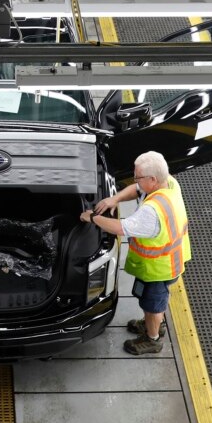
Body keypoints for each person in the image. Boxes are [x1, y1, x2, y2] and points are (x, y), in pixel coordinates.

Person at [79, 151, 191, 355]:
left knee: (153, 305)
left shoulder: (152, 212)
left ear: (153, 179)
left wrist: (92, 218)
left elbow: (119, 228)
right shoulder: (169, 183)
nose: (135, 179)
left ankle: (152, 338)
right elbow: (137, 189)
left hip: (159, 269)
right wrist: (116, 198)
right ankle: (153, 323)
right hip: (169, 260)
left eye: (138, 176)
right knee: (155, 303)